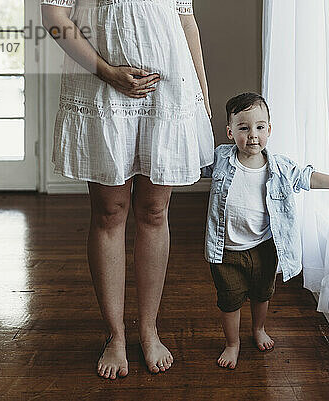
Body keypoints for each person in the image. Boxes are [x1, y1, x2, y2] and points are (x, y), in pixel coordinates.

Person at [40, 0, 214, 379]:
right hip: (101, 88)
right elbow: (54, 19)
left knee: (154, 212)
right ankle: (116, 336)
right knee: (109, 213)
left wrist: (201, 92)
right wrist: (108, 72)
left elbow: (185, 18)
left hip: (167, 89)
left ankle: (149, 329)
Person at [202, 92, 329, 369]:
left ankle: (258, 329)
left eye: (259, 127)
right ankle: (232, 343)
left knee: (262, 293)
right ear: (230, 132)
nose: (253, 135)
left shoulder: (279, 166)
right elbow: (191, 165)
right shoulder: (221, 158)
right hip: (227, 250)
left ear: (269, 129)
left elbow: (307, 177)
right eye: (243, 128)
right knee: (229, 301)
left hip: (264, 247)